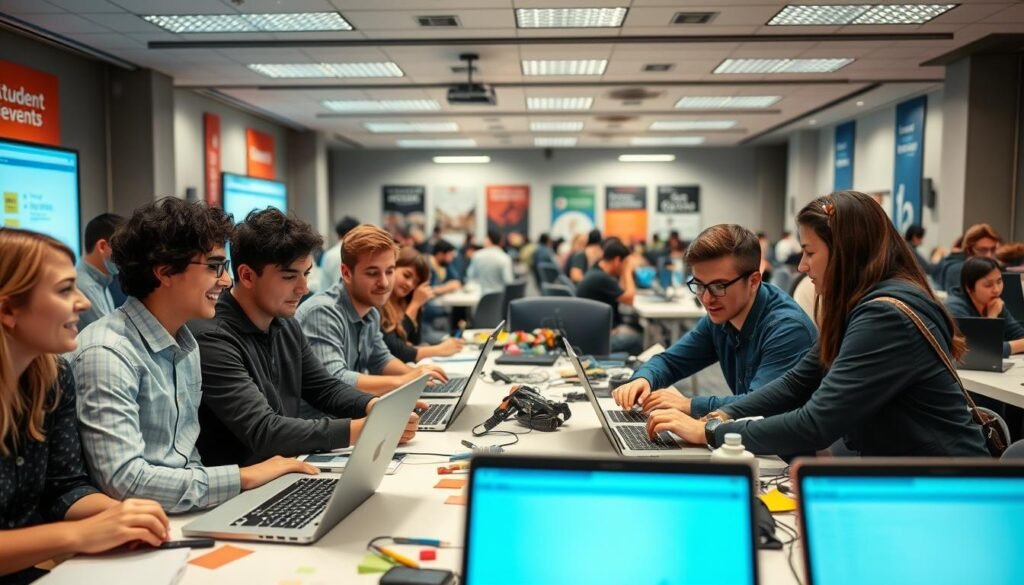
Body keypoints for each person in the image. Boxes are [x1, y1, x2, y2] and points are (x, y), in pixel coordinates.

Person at [641, 192, 989, 458]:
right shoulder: (863, 306)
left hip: (947, 489)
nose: (802, 267)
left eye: (809, 253)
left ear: (845, 252)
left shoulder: (884, 318)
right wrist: (719, 415)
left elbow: (815, 423)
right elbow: (796, 383)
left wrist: (710, 432)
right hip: (913, 478)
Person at [71, 198, 317, 514]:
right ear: (165, 272)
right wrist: (242, 478)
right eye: (214, 267)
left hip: (185, 510)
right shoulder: (108, 354)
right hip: (141, 523)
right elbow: (124, 481)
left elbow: (187, 459)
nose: (226, 280)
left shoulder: (186, 344)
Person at [0, 229, 170, 584]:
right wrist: (79, 534)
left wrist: (126, 516)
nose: (83, 302)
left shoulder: (53, 377)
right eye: (65, 290)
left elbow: (64, 488)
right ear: (8, 309)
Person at [191, 209, 422, 468]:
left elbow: (324, 387)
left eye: (306, 274)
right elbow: (265, 430)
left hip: (288, 468)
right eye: (290, 276)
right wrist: (368, 427)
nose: (303, 288)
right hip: (244, 484)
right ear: (246, 276)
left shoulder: (285, 323)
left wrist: (374, 406)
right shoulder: (213, 337)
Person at [612, 225, 816, 418]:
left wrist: (688, 405)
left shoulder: (788, 329)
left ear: (753, 281)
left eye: (719, 286)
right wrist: (644, 378)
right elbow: (671, 361)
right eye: (699, 285)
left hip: (776, 443)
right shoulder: (722, 316)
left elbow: (758, 406)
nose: (707, 299)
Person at [297, 225, 446, 396]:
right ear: (346, 273)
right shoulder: (322, 312)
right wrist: (405, 379)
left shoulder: (371, 312)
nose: (384, 283)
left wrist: (420, 375)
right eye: (372, 273)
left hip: (352, 408)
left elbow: (381, 359)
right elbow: (335, 380)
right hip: (325, 413)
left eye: (389, 271)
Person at [381, 247, 465, 363]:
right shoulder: (380, 304)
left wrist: (417, 305)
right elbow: (396, 351)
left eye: (416, 282)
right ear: (391, 269)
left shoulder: (406, 300)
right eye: (406, 275)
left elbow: (414, 341)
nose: (410, 284)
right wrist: (415, 305)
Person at [945, 256, 1024, 357]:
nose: (996, 289)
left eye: (999, 281)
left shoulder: (993, 302)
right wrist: (992, 317)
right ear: (969, 287)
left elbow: (1019, 335)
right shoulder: (955, 308)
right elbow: (978, 351)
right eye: (988, 285)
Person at [575, 239, 642, 355]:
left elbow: (622, 290)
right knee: (637, 339)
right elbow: (629, 299)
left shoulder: (597, 271)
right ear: (617, 260)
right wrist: (627, 271)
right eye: (625, 262)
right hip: (597, 340)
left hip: (591, 333)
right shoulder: (601, 278)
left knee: (634, 329)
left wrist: (623, 270)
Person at [75, 213, 125, 330]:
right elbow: (108, 332)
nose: (125, 256)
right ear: (102, 246)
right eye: (121, 249)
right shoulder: (84, 286)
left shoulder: (103, 280)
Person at [940, 223, 1001, 292]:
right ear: (969, 250)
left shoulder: (995, 268)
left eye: (993, 249)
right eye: (982, 250)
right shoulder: (957, 270)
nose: (989, 255)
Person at [465, 229, 514, 296]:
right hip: (499, 297)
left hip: (480, 296)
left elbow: (470, 275)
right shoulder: (505, 258)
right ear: (500, 242)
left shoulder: (477, 255)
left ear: (488, 240)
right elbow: (508, 281)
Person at [319, 216, 360, 292]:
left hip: (329, 297)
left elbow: (323, 285)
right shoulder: (359, 253)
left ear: (338, 234)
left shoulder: (329, 255)